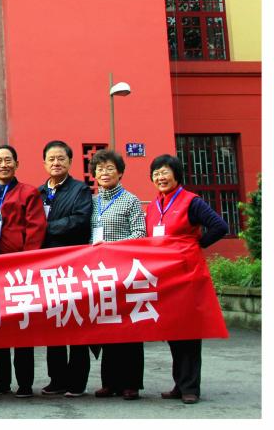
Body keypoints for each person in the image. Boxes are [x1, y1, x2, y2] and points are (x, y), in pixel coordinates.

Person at [146, 153, 228, 405]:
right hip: (164, 277)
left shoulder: (191, 201)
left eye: (165, 172)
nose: (160, 177)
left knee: (190, 331)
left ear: (176, 174)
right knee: (174, 330)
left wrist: (196, 244)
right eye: (156, 173)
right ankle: (179, 384)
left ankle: (191, 387)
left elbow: (220, 226)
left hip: (187, 275)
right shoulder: (153, 205)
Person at [0, 144, 46, 398]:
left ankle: (25, 383)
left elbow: (36, 229)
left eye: (8, 160)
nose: (4, 164)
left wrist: (27, 263)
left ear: (17, 164)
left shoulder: (28, 192)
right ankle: (2, 382)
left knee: (22, 327)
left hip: (20, 270)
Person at [85, 149, 147, 401]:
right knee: (107, 326)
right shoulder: (92, 202)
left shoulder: (131, 200)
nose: (104, 173)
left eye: (110, 168)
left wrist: (111, 246)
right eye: (100, 169)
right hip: (99, 273)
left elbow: (140, 234)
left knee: (129, 327)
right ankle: (110, 382)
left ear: (120, 172)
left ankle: (131, 383)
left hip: (125, 271)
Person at [38, 140, 93, 398]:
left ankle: (77, 382)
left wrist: (47, 228)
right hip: (46, 267)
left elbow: (80, 220)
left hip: (73, 265)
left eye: (61, 158)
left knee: (76, 322)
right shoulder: (39, 192)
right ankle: (57, 379)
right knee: (53, 324)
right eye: (51, 158)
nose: (56, 163)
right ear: (44, 163)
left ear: (70, 162)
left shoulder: (80, 190)